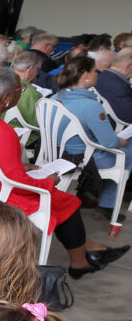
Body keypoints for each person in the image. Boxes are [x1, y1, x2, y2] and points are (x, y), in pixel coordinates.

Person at [0, 67, 128, 278]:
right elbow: (15, 180)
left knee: (61, 200)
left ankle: (89, 251)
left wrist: (23, 166)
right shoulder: (2, 131)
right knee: (66, 202)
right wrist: (48, 181)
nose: (21, 93)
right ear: (8, 97)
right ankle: (81, 262)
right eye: (20, 89)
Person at [52, 55, 132, 217]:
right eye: (95, 71)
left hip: (55, 152)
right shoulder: (90, 105)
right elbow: (109, 142)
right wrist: (121, 141)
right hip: (83, 157)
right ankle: (108, 204)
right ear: (86, 75)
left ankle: (97, 198)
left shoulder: (55, 98)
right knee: (128, 151)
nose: (98, 74)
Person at [9, 50, 44, 149]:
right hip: (23, 139)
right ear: (30, 69)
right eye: (38, 69)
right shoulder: (31, 93)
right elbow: (38, 125)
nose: (37, 73)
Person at [94, 47, 132, 124]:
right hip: (118, 130)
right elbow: (129, 116)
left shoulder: (102, 77)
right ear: (129, 65)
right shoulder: (119, 87)